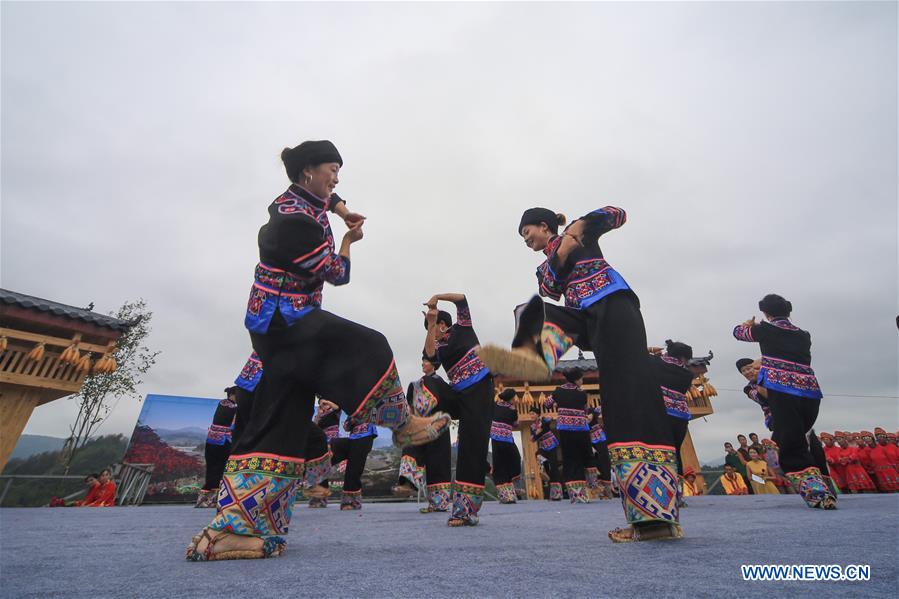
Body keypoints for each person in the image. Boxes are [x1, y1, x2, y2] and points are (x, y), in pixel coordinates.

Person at [187, 140, 449, 562]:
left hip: (279, 327)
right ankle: (400, 423)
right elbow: (337, 273)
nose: (337, 180)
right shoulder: (296, 224)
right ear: (308, 171)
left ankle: (233, 533)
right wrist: (349, 240)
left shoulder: (298, 201)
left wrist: (342, 208)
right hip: (285, 322)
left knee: (279, 427)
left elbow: (330, 200)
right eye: (332, 170)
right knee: (368, 345)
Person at [478, 206, 681, 542]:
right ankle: (535, 355)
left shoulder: (580, 231)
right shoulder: (543, 267)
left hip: (614, 306)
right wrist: (562, 252)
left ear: (543, 226)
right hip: (585, 319)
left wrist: (579, 227)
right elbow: (550, 288)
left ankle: (654, 520)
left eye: (527, 232)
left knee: (627, 398)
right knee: (531, 311)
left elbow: (619, 214)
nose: (526, 240)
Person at [733, 294, 834, 509]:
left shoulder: (765, 329)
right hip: (809, 391)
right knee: (803, 439)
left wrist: (748, 324)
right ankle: (824, 488)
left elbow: (738, 333)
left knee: (793, 445)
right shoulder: (804, 335)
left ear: (766, 313)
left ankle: (818, 494)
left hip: (782, 390)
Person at [423, 293, 494, 526]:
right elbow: (429, 357)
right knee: (426, 384)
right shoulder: (439, 346)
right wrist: (430, 323)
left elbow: (462, 299)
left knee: (470, 446)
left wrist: (437, 297)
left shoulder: (464, 327)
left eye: (434, 327)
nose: (432, 332)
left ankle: (465, 510)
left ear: (444, 325)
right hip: (457, 394)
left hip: (479, 390)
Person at [648, 340, 708, 506]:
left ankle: (658, 494)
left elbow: (637, 354)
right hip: (679, 417)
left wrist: (652, 351)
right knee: (674, 452)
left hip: (658, 413)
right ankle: (678, 495)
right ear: (683, 357)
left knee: (656, 450)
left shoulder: (654, 362)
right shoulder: (687, 374)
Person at [544, 368, 592, 504]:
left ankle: (574, 494)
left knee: (569, 459)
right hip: (581, 430)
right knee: (580, 458)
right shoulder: (582, 394)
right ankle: (583, 493)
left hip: (565, 430)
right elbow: (585, 411)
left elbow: (546, 404)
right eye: (581, 379)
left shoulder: (558, 390)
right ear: (576, 380)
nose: (582, 381)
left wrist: (556, 403)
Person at [196, 388, 239, 508]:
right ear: (232, 395)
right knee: (218, 468)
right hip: (220, 442)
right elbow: (235, 423)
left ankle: (208, 496)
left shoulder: (227, 404)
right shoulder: (230, 405)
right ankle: (211, 498)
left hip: (217, 441)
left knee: (216, 468)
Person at [491, 388, 523, 504]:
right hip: (506, 440)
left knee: (500, 465)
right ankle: (513, 491)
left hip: (495, 439)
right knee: (514, 460)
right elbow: (515, 424)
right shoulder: (512, 409)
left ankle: (505, 495)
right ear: (512, 398)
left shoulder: (494, 406)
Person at [530, 405, 563, 500]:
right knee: (538, 454)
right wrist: (537, 432)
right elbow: (532, 439)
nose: (531, 415)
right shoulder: (532, 426)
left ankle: (556, 494)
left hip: (551, 444)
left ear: (537, 414)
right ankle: (543, 469)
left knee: (553, 468)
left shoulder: (543, 419)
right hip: (543, 446)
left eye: (533, 413)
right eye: (530, 414)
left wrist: (542, 425)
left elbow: (550, 418)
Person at [737, 359, 772, 432]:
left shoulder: (771, 375)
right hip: (774, 418)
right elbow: (764, 398)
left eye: (749, 368)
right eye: (743, 371)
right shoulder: (748, 388)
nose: (747, 372)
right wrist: (760, 377)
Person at [587, 405, 613, 499]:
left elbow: (600, 409)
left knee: (605, 462)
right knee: (593, 462)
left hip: (600, 439)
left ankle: (607, 491)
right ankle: (597, 488)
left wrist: (593, 413)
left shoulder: (592, 412)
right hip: (589, 441)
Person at [869, 428, 899, 492]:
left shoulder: (894, 447)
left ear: (885, 437)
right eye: (878, 437)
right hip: (881, 473)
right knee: (886, 491)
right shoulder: (874, 450)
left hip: (893, 472)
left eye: (882, 436)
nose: (880, 438)